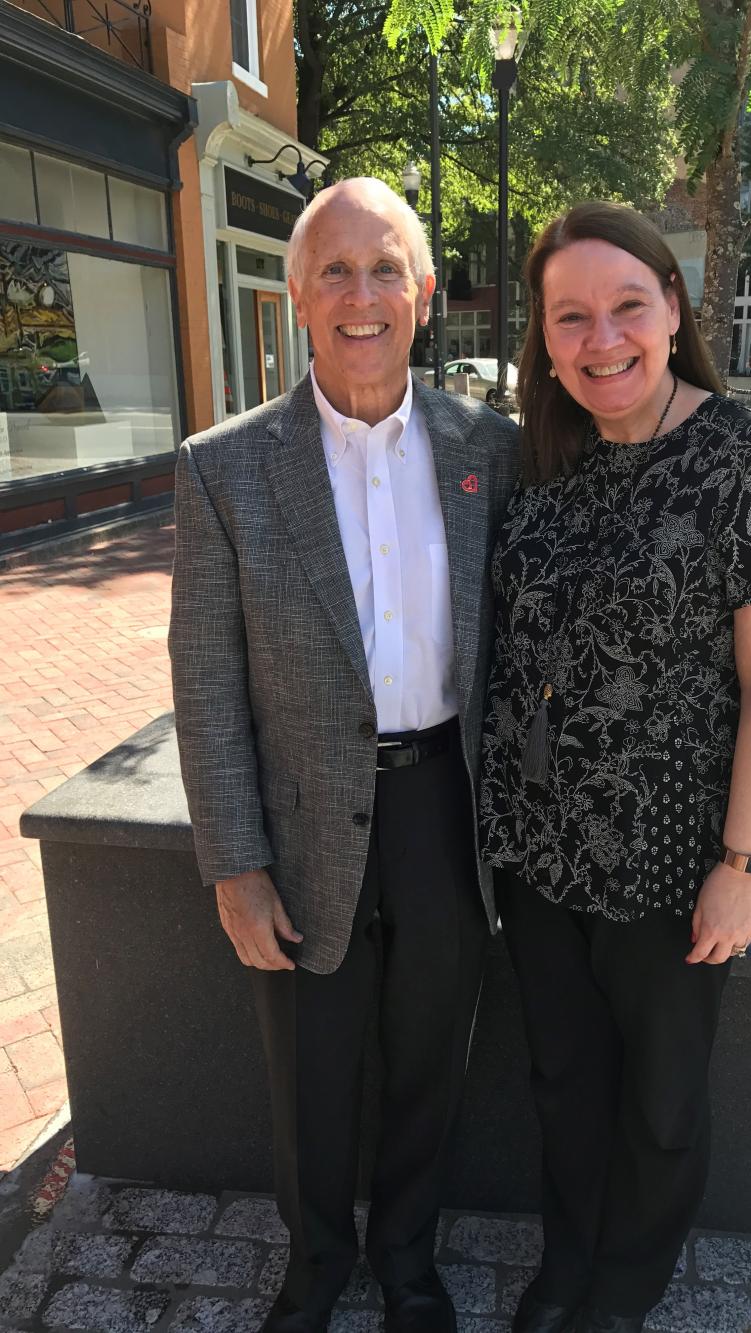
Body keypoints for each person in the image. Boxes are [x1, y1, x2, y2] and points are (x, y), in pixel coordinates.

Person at [168, 177, 519, 1333]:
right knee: (311, 1073)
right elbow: (207, 674)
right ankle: (315, 1269)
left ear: (423, 295)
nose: (360, 296)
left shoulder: (492, 452)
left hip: (445, 811)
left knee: (430, 1061)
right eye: (335, 271)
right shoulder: (223, 467)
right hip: (304, 814)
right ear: (295, 298)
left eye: (385, 271)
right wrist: (235, 862)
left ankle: (408, 1263)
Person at [478, 202, 751, 1333]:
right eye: (570, 315)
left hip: (673, 860)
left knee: (660, 1103)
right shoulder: (541, 458)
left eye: (627, 304)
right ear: (545, 336)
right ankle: (567, 1265)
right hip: (537, 854)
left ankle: (621, 1294)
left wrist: (743, 861)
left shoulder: (740, 456)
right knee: (564, 1088)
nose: (601, 335)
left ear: (674, 308)